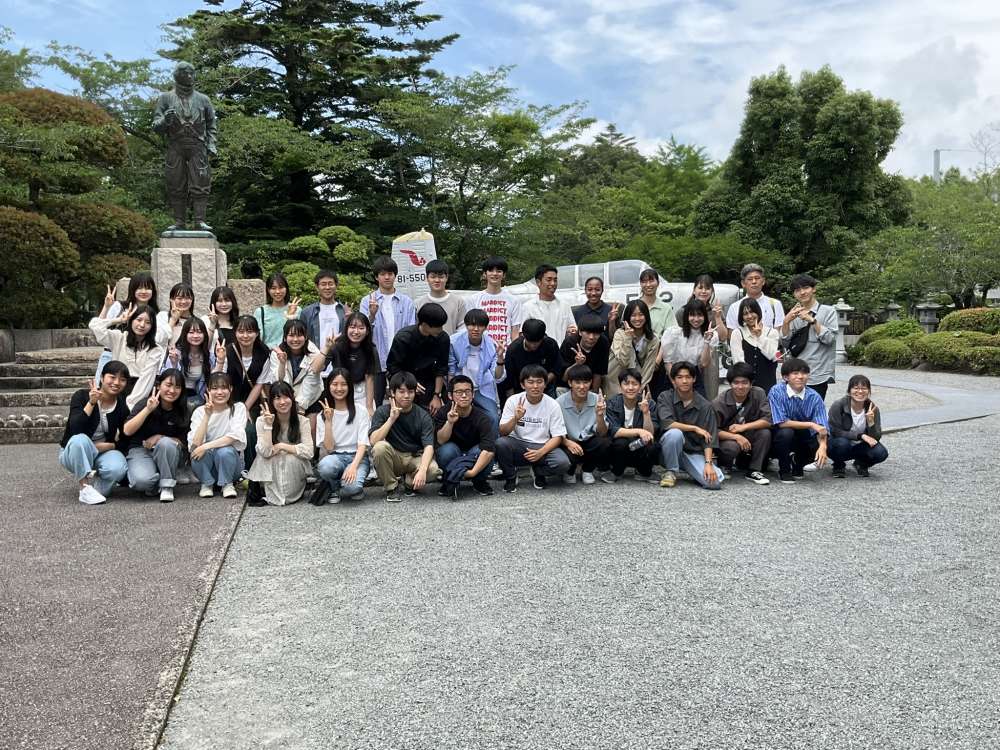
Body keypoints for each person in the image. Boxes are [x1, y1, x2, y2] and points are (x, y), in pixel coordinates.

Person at [152, 61, 217, 230]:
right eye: (185, 73)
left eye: (191, 73)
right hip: (176, 144)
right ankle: (179, 221)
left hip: (198, 145)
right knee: (175, 182)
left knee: (201, 181)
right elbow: (156, 126)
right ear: (177, 76)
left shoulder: (203, 99)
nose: (189, 77)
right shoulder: (165, 98)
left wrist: (212, 144)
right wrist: (165, 120)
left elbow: (211, 124)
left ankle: (199, 221)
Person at [58, 361, 131, 505]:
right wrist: (91, 403)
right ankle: (84, 487)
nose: (116, 383)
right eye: (112, 377)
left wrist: (110, 446)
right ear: (102, 378)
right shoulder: (81, 396)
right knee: (80, 441)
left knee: (118, 468)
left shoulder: (121, 406)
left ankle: (95, 488)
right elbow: (75, 429)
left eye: (122, 379)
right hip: (74, 450)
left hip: (102, 452)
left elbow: (124, 438)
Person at [495, 364, 571, 493]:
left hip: (542, 445)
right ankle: (511, 477)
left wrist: (540, 452)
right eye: (530, 382)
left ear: (545, 384)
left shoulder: (552, 404)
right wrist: (515, 418)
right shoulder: (513, 401)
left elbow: (558, 436)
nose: (535, 386)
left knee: (563, 463)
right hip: (518, 444)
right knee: (500, 443)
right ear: (523, 385)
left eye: (539, 382)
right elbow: (502, 432)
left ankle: (538, 472)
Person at [212, 315, 273, 474]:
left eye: (250, 331)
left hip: (251, 401)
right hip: (227, 400)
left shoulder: (264, 352)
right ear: (235, 333)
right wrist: (220, 361)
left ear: (257, 333)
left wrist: (245, 408)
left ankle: (251, 470)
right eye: (241, 331)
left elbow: (260, 383)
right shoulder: (228, 351)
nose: (245, 336)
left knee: (251, 430)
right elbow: (216, 381)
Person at [368, 371, 440, 501]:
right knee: (379, 448)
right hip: (394, 455)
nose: (406, 396)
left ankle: (409, 482)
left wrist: (422, 470)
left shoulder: (423, 415)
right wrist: (391, 419)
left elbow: (429, 446)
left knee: (433, 470)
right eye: (401, 392)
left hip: (414, 457)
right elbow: (373, 440)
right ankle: (391, 487)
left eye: (410, 392)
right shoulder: (382, 411)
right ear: (393, 393)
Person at [657, 361, 725, 490]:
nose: (684, 381)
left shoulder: (705, 405)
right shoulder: (665, 397)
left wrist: (708, 463)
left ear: (694, 379)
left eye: (688, 377)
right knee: (675, 433)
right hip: (668, 450)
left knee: (714, 483)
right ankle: (671, 471)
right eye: (680, 377)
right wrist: (694, 428)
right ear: (673, 380)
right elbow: (667, 423)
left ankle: (687, 467)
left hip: (693, 453)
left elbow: (709, 439)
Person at [359, 256, 417, 406]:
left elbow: (411, 332)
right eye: (383, 274)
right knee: (374, 402)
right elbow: (361, 331)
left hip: (400, 360)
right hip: (376, 358)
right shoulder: (367, 301)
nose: (387, 277)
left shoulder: (406, 302)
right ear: (376, 277)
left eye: (390, 274)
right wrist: (372, 314)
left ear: (395, 276)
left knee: (402, 401)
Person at [123, 369, 188, 502]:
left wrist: (160, 437)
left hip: (168, 452)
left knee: (166, 443)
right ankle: (156, 479)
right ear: (159, 385)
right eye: (168, 385)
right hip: (140, 450)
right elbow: (127, 430)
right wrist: (148, 410)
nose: (172, 390)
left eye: (177, 387)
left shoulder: (182, 409)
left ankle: (166, 486)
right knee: (141, 482)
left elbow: (183, 442)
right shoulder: (145, 403)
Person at [247, 382, 314, 506]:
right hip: (270, 466)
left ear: (292, 398)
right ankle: (272, 494)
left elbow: (309, 451)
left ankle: (287, 494)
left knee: (290, 459)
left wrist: (281, 446)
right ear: (271, 401)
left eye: (286, 397)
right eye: (277, 398)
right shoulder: (261, 421)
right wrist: (268, 426)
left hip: (294, 469)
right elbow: (265, 452)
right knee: (269, 458)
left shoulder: (302, 421)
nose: (282, 402)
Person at [89, 302, 165, 410]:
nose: (142, 325)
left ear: (152, 327)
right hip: (114, 388)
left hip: (139, 394)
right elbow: (94, 325)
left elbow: (146, 380)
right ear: (131, 320)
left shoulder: (155, 350)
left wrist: (130, 404)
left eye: (148, 322)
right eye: (138, 320)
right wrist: (119, 320)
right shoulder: (118, 338)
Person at [312, 369, 372, 504]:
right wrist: (328, 421)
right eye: (334, 384)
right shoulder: (322, 415)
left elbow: (363, 443)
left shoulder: (360, 411)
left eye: (343, 384)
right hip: (335, 457)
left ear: (349, 386)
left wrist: (353, 466)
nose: (339, 388)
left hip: (358, 458)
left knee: (352, 487)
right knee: (325, 467)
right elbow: (328, 447)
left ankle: (347, 486)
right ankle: (334, 487)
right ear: (328, 386)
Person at [434, 375, 496, 500]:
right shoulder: (442, 412)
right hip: (453, 453)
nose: (464, 396)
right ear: (450, 396)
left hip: (474, 454)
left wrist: (472, 473)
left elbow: (489, 450)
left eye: (468, 391)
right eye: (459, 392)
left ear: (473, 394)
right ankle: (449, 481)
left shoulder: (483, 417)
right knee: (446, 450)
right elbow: (440, 440)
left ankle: (479, 480)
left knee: (481, 451)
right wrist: (450, 422)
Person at [768, 357, 829, 483]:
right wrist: (811, 424)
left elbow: (822, 427)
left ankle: (798, 463)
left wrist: (823, 446)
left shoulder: (814, 397)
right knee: (786, 432)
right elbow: (781, 422)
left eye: (804, 373)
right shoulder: (776, 391)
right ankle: (784, 470)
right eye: (795, 373)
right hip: (779, 434)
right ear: (786, 377)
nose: (800, 377)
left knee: (820, 440)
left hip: (802, 435)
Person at [188, 372, 247, 498]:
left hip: (230, 466)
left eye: (224, 387)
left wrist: (205, 446)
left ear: (230, 389)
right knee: (197, 453)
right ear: (208, 390)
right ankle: (206, 483)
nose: (220, 392)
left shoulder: (238, 408)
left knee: (225, 451)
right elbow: (194, 446)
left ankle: (227, 484)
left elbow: (235, 436)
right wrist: (207, 416)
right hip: (207, 465)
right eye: (215, 388)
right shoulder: (199, 412)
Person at [713, 362, 772, 486]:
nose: (740, 386)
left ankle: (754, 470)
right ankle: (725, 465)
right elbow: (712, 431)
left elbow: (768, 419)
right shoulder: (719, 402)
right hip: (728, 438)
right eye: (736, 383)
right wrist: (736, 436)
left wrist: (744, 427)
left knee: (765, 433)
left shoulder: (758, 393)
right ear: (730, 384)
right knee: (731, 447)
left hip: (749, 433)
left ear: (751, 383)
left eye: (745, 382)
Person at [780, 273, 838, 399]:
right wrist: (786, 322)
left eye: (805, 288)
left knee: (814, 413)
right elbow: (785, 344)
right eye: (797, 290)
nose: (802, 292)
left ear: (813, 289)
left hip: (817, 374)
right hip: (795, 374)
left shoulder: (828, 311)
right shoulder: (794, 314)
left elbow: (829, 339)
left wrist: (812, 320)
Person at [94, 274, 158, 385]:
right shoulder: (120, 306)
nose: (143, 291)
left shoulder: (155, 313)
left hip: (137, 359)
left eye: (147, 288)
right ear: (132, 289)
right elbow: (99, 326)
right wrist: (107, 307)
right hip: (111, 355)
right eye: (139, 288)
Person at [385, 302, 450, 412]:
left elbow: (441, 368)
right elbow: (393, 367)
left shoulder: (442, 338)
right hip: (403, 377)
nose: (441, 329)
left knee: (436, 410)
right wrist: (411, 382)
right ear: (424, 324)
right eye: (437, 326)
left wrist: (436, 395)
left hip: (429, 380)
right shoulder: (403, 338)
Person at [449, 308, 505, 426]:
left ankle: (492, 444)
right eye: (472, 325)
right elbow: (451, 370)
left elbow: (498, 376)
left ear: (485, 327)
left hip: (482, 388)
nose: (476, 329)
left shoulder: (491, 345)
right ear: (466, 325)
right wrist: (451, 392)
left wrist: (500, 359)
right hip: (459, 388)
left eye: (480, 325)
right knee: (454, 415)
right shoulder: (454, 341)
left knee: (493, 417)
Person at [314, 312, 378, 415]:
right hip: (339, 389)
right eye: (352, 327)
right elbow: (315, 369)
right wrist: (326, 348)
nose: (356, 332)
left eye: (361, 328)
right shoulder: (337, 344)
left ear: (367, 331)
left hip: (360, 392)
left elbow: (369, 378)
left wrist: (369, 406)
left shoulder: (371, 349)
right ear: (346, 328)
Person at [602, 368, 659, 484]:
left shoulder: (650, 403)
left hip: (640, 445)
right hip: (620, 447)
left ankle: (644, 472)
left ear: (640, 386)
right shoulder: (613, 403)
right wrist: (639, 431)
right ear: (620, 386)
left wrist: (646, 413)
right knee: (620, 443)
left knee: (653, 447)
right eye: (626, 383)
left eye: (635, 384)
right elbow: (614, 430)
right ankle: (616, 472)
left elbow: (650, 433)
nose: (630, 388)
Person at [557, 364, 611, 485]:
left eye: (586, 382)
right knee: (566, 450)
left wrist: (600, 415)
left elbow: (602, 432)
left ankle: (588, 470)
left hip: (589, 441)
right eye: (577, 382)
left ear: (591, 382)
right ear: (570, 383)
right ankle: (569, 471)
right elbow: (554, 432)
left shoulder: (598, 400)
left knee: (605, 442)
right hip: (568, 442)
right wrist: (567, 442)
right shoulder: (559, 402)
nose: (582, 387)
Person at [676, 274, 728, 399]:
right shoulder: (682, 312)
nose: (704, 291)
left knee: (709, 394)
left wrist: (717, 317)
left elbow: (723, 337)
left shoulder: (715, 311)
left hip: (710, 358)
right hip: (687, 358)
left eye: (707, 288)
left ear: (712, 291)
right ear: (694, 290)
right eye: (700, 287)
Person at [827, 375, 888, 478]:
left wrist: (871, 423)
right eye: (856, 388)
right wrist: (861, 436)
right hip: (840, 443)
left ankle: (861, 464)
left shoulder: (873, 409)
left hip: (860, 445)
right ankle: (838, 464)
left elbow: (876, 438)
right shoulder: (839, 405)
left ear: (868, 391)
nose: (860, 391)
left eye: (864, 388)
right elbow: (835, 431)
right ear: (849, 391)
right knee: (841, 443)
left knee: (881, 453)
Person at [658, 299, 719, 397]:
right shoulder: (674, 333)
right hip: (674, 375)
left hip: (694, 376)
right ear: (686, 316)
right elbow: (667, 362)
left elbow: (704, 363)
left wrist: (707, 341)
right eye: (692, 315)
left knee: (701, 406)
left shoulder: (711, 335)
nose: (696, 319)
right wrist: (675, 383)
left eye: (699, 315)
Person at [463, 256, 523, 347]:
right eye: (491, 270)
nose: (494, 274)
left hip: (505, 353)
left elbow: (515, 332)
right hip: (480, 352)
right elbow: (468, 329)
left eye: (499, 271)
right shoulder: (473, 299)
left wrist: (513, 353)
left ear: (504, 275)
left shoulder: (514, 300)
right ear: (484, 274)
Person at [605, 299, 660, 398]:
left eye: (641, 314)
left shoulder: (653, 339)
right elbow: (623, 361)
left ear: (646, 316)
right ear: (628, 317)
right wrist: (627, 338)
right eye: (633, 315)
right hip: (615, 381)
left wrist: (639, 387)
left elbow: (649, 367)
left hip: (637, 382)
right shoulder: (620, 334)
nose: (637, 318)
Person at [498, 319, 563, 399]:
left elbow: (556, 368)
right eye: (530, 342)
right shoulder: (513, 350)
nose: (533, 345)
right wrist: (512, 400)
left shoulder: (550, 344)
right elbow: (509, 381)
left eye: (537, 342)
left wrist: (540, 383)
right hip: (521, 389)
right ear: (523, 336)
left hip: (546, 386)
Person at [268, 318, 323, 413]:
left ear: (306, 337)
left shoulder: (314, 353)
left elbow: (312, 381)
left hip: (310, 397)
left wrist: (299, 406)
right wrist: (282, 364)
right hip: (284, 399)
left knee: (310, 425)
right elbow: (278, 382)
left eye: (299, 335)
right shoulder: (277, 352)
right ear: (285, 337)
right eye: (291, 335)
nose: (295, 339)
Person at [729, 298, 780, 393]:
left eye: (752, 312)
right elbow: (738, 362)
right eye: (745, 314)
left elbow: (772, 355)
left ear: (758, 312)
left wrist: (760, 336)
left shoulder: (772, 332)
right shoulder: (738, 333)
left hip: (768, 384)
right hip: (746, 387)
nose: (749, 316)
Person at [162, 316, 211, 410]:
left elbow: (213, 379)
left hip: (196, 399)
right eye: (191, 332)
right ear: (185, 334)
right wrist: (174, 364)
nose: (195, 336)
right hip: (174, 396)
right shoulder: (176, 353)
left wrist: (220, 361)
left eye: (199, 332)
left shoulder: (208, 356)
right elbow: (167, 380)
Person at [522, 264, 576, 346]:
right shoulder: (528, 307)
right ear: (538, 282)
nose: (553, 283)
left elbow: (572, 328)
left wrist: (572, 332)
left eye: (555, 280)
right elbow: (523, 334)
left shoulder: (564, 305)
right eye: (549, 280)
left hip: (560, 354)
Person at [300, 269, 346, 357]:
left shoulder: (344, 311)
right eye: (323, 284)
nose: (327, 287)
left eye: (330, 283)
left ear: (336, 285)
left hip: (339, 361)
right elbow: (301, 338)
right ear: (317, 287)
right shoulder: (307, 312)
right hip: (314, 360)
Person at [725, 263, 785, 330]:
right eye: (750, 279)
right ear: (743, 283)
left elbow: (778, 332)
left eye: (757, 278)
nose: (754, 282)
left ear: (763, 281)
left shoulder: (775, 304)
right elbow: (732, 335)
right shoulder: (735, 307)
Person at [559, 314, 609, 392]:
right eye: (588, 333)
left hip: (589, 385)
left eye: (596, 334)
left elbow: (598, 373)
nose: (591, 337)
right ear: (580, 332)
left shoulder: (603, 342)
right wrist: (577, 364)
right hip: (568, 386)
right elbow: (563, 378)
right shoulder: (569, 343)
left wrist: (594, 396)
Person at [415, 259, 465, 335]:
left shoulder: (458, 302)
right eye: (433, 277)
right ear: (427, 278)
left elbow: (462, 328)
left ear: (446, 277)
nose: (437, 280)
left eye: (441, 277)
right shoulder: (418, 303)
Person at [254, 272, 301, 349]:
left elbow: (299, 335)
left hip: (290, 354)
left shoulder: (297, 310)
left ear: (286, 288)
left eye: (281, 287)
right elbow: (257, 339)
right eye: (273, 288)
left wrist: (290, 316)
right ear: (268, 290)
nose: (277, 291)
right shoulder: (261, 312)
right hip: (268, 355)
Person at [156, 283, 209, 349]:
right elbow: (158, 340)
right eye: (179, 298)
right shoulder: (163, 316)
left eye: (187, 298)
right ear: (171, 300)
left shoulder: (196, 321)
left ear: (192, 300)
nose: (183, 302)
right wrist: (173, 320)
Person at [637, 268, 676, 338]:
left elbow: (673, 334)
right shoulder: (632, 306)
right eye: (644, 282)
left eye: (651, 281)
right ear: (640, 284)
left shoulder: (666, 308)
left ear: (658, 283)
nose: (648, 285)